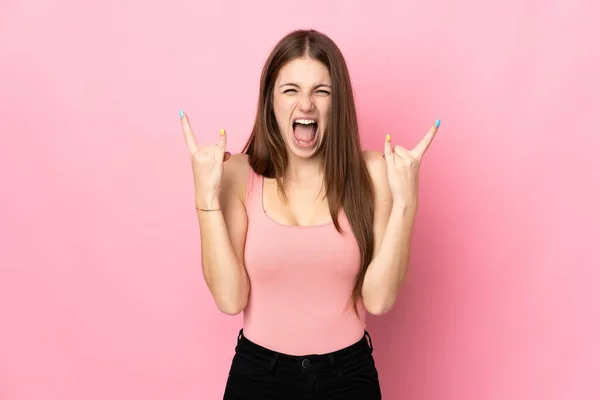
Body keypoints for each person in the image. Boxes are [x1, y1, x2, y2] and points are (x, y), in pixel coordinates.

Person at [179, 29, 440, 400]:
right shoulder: (237, 174)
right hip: (258, 377)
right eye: (290, 90)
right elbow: (229, 299)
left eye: (322, 91)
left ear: (339, 103)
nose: (306, 105)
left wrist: (406, 203)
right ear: (270, 100)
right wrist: (205, 198)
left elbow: (379, 300)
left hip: (348, 377)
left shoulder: (374, 173)